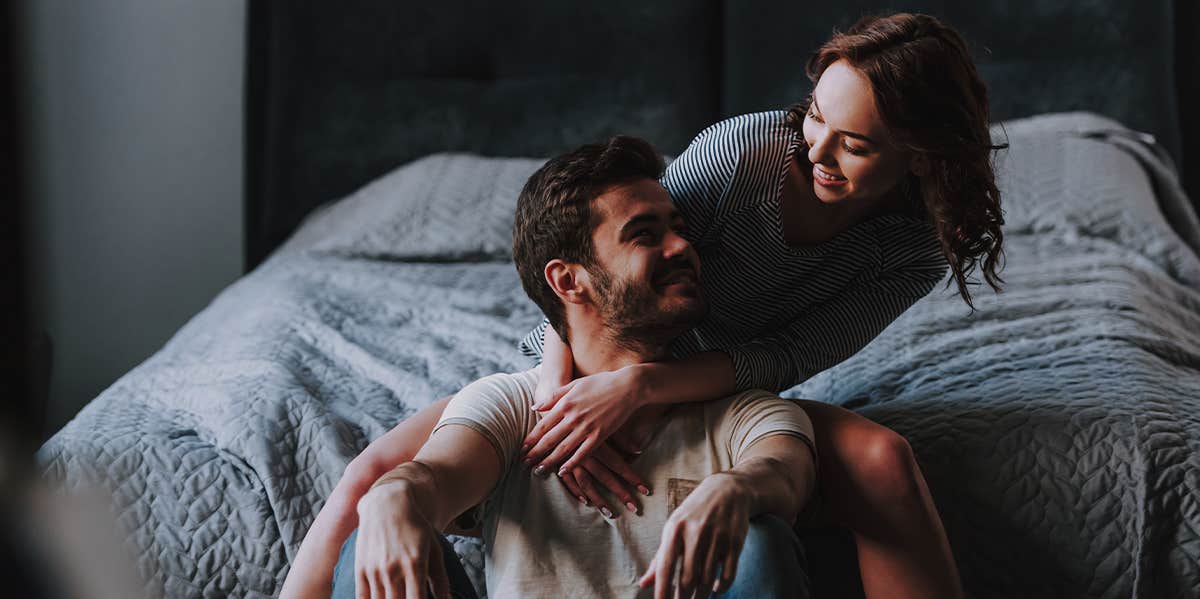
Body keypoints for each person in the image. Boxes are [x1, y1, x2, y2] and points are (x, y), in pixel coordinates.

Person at [282, 12, 1002, 599]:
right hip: (609, 349)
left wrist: (645, 389)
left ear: (919, 158)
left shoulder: (915, 249)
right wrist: (558, 397)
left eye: (853, 146)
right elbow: (605, 267)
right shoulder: (745, 155)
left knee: (884, 460)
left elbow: (788, 357)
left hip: (722, 383)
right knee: (375, 478)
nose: (817, 149)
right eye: (816, 117)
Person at [330, 135, 818, 599]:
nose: (681, 249)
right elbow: (436, 478)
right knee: (366, 545)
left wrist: (739, 487)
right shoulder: (513, 407)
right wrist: (391, 496)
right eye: (645, 235)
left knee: (760, 537)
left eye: (679, 230)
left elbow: (782, 470)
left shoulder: (743, 413)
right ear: (568, 280)